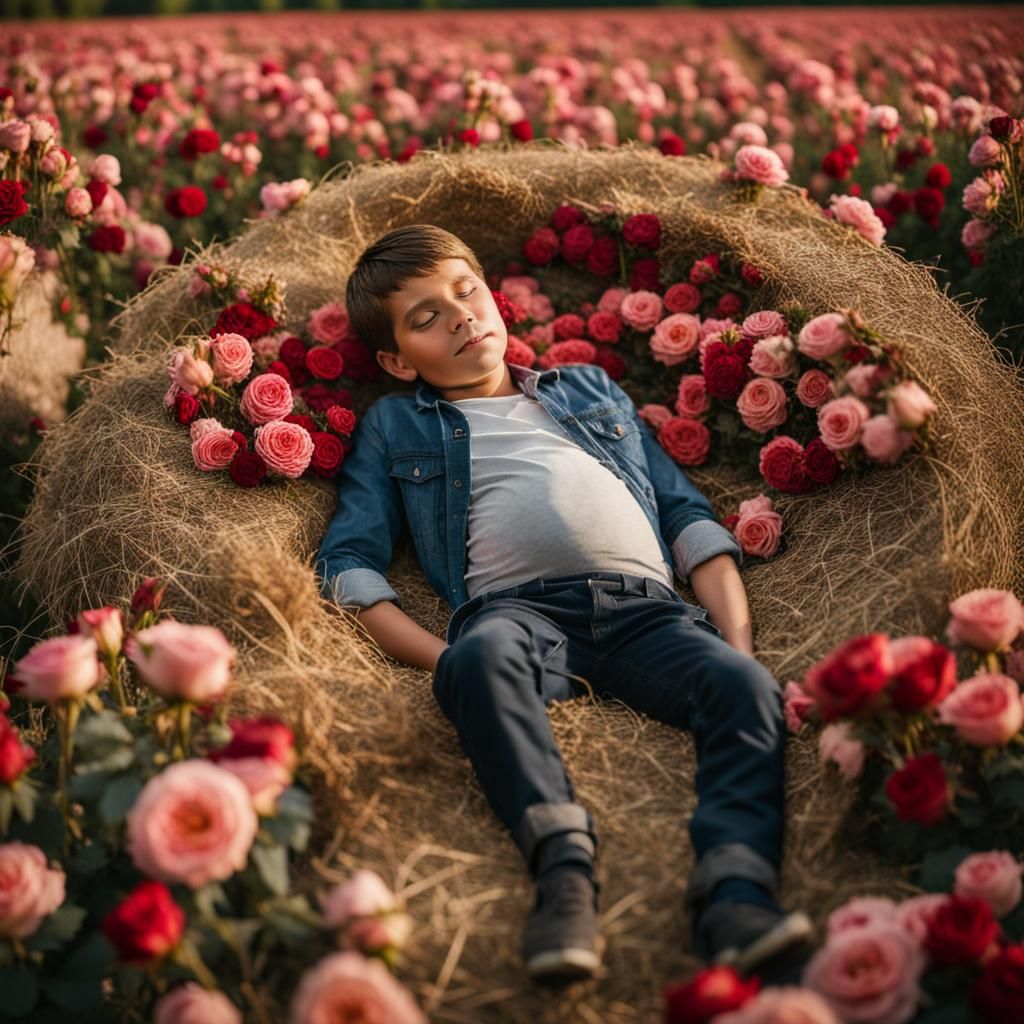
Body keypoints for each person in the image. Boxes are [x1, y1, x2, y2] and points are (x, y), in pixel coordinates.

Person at [316, 223, 812, 988]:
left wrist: (735, 642)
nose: (458, 316)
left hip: (648, 613)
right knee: (482, 656)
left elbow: (686, 519)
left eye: (465, 290)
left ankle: (737, 893)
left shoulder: (586, 388)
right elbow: (351, 560)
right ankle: (563, 872)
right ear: (394, 360)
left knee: (745, 689)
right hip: (520, 615)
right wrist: (448, 663)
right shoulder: (397, 423)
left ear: (491, 295)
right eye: (424, 318)